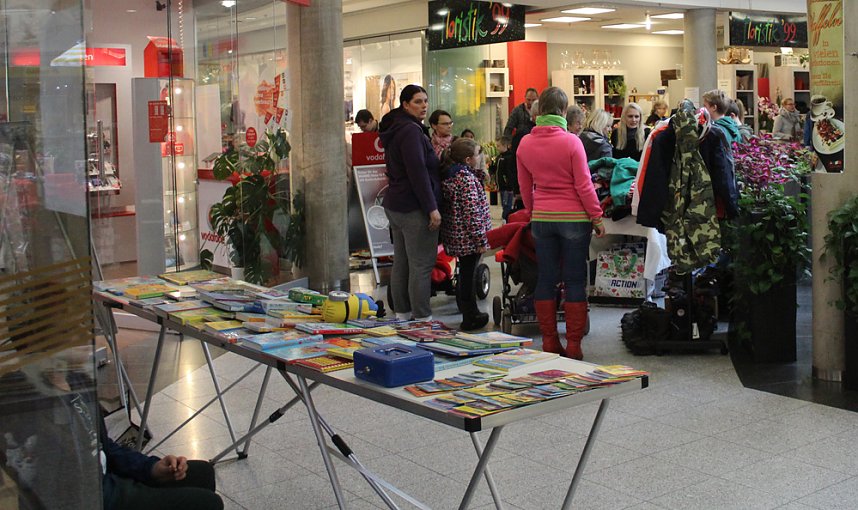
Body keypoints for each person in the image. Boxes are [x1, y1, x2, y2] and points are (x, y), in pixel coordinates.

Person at [516, 86, 605, 360]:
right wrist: (596, 215)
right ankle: (574, 345)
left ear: (539, 110)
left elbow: (524, 185)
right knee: (575, 280)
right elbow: (583, 184)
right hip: (574, 220)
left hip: (543, 219)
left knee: (546, 278)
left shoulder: (525, 144)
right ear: (564, 112)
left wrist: (533, 212)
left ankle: (550, 342)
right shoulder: (571, 142)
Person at [378, 84, 441, 321]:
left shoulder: (396, 128)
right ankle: (422, 318)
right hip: (413, 206)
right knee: (421, 265)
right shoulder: (411, 131)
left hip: (396, 203)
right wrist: (431, 208)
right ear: (405, 105)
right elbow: (418, 172)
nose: (424, 105)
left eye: (425, 100)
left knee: (402, 263)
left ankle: (402, 315)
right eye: (417, 101)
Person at [439, 137, 493, 331]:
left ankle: (467, 309)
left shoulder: (452, 175)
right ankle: (471, 315)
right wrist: (480, 239)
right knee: (468, 276)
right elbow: (472, 213)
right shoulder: (466, 180)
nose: (481, 157)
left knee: (464, 273)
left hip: (457, 235)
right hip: (468, 238)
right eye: (479, 154)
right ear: (469, 159)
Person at [491, 135, 518, 221]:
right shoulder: (499, 157)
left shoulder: (509, 158)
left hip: (507, 186)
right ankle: (505, 217)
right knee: (504, 203)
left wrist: (509, 184)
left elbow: (510, 172)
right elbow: (497, 169)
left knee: (507, 204)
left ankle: (506, 218)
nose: (497, 147)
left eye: (499, 146)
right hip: (502, 186)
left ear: (505, 145)